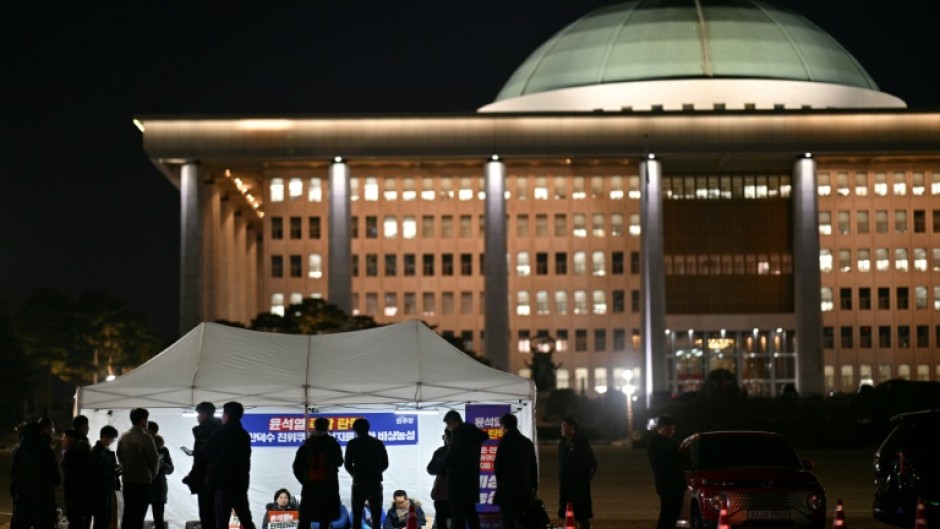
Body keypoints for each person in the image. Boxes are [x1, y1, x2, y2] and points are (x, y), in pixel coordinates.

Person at [205, 401, 256, 529]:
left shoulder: (219, 433)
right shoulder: (244, 435)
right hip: (240, 482)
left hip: (222, 481)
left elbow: (206, 453)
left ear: (227, 415)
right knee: (245, 517)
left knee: (222, 520)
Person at [293, 417, 344, 529]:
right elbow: (340, 462)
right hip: (328, 488)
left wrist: (305, 481)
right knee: (325, 520)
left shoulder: (306, 446)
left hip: (310, 489)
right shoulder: (333, 445)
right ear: (327, 427)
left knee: (305, 520)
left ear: (314, 427)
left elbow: (296, 467)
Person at [442, 410, 488, 529]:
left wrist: (440, 462)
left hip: (457, 482)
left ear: (453, 422)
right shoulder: (473, 434)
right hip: (471, 480)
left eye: (448, 425)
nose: (449, 428)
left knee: (458, 517)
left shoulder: (460, 435)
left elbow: (451, 459)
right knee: (471, 513)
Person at [10, 421, 60, 529]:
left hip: (23, 501)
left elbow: (13, 475)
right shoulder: (45, 448)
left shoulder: (19, 450)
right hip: (42, 501)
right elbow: (55, 475)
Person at [117, 407, 160, 529]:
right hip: (143, 481)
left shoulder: (123, 437)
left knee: (128, 512)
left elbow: (119, 456)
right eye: (146, 419)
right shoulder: (146, 438)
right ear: (142, 420)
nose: (147, 422)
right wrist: (154, 473)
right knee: (139, 513)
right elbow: (154, 458)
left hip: (127, 479)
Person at [494, 413, 538, 529]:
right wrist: (533, 486)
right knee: (523, 521)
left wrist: (501, 485)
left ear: (504, 426)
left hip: (508, 491)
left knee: (508, 523)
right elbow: (533, 466)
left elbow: (498, 466)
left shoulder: (505, 441)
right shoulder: (526, 442)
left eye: (501, 426)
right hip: (525, 489)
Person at [183, 401, 222, 529]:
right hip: (220, 480)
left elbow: (201, 459)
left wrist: (192, 476)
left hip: (206, 480)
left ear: (204, 414)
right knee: (218, 515)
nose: (197, 417)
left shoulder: (205, 432)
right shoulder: (222, 429)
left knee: (207, 515)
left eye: (199, 414)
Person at [345, 418, 389, 529]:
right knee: (376, 515)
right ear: (368, 428)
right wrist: (377, 472)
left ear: (355, 429)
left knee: (357, 514)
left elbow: (347, 464)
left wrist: (355, 475)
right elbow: (385, 463)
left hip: (359, 483)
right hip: (375, 482)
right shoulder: (378, 443)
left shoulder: (352, 443)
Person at [558, 417, 597, 529]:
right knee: (569, 515)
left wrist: (584, 479)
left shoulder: (581, 444)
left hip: (579, 488)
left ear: (572, 428)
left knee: (581, 515)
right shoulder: (563, 445)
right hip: (566, 487)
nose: (562, 429)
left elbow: (591, 463)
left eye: (564, 426)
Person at [647, 415, 685, 529]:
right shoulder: (655, 443)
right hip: (666, 483)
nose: (672, 431)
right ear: (661, 428)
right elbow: (665, 460)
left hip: (675, 483)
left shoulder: (671, 442)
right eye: (669, 429)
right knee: (667, 513)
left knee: (673, 513)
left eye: (673, 429)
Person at [61, 415, 94, 529]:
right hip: (81, 492)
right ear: (84, 426)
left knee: (74, 521)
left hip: (70, 491)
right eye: (87, 425)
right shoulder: (82, 444)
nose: (88, 428)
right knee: (80, 522)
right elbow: (86, 470)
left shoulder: (68, 442)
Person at [90, 425, 121, 529]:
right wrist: (114, 470)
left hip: (106, 489)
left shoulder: (105, 452)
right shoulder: (96, 452)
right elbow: (98, 472)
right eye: (111, 438)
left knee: (106, 518)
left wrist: (116, 470)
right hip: (100, 490)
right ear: (104, 436)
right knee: (101, 519)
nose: (112, 441)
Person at [147, 421, 175, 529]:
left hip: (158, 487)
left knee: (159, 519)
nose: (147, 432)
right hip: (143, 485)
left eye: (149, 430)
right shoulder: (139, 446)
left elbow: (171, 469)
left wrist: (163, 465)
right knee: (137, 517)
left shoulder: (163, 449)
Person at [426, 429, 451, 529]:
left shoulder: (441, 451)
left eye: (444, 436)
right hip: (461, 492)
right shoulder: (466, 450)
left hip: (443, 491)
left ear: (447, 437)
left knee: (441, 520)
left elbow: (431, 469)